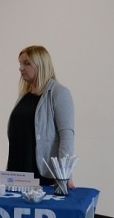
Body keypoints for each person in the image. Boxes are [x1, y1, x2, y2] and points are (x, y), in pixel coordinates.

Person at [6, 45, 76, 189]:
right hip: (17, 171)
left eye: (27, 63)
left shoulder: (59, 93)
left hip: (43, 175)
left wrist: (63, 174)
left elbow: (67, 136)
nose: (21, 68)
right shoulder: (24, 96)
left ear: (41, 65)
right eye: (20, 63)